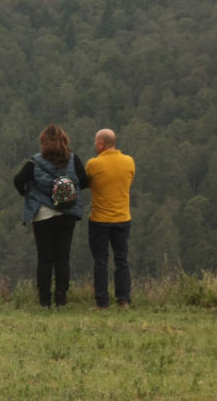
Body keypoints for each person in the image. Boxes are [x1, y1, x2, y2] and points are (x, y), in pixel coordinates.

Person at [13, 123, 87, 307]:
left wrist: (28, 193)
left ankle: (44, 300)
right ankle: (61, 299)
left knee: (44, 258)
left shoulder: (35, 162)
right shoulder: (73, 159)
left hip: (42, 216)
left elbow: (18, 180)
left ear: (43, 142)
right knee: (63, 258)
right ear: (64, 140)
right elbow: (84, 182)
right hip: (67, 214)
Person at [86, 128, 136, 308]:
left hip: (100, 219)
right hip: (122, 217)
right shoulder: (129, 161)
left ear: (101, 143)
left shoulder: (93, 164)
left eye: (95, 141)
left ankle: (102, 302)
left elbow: (87, 183)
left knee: (101, 261)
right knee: (121, 260)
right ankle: (124, 300)